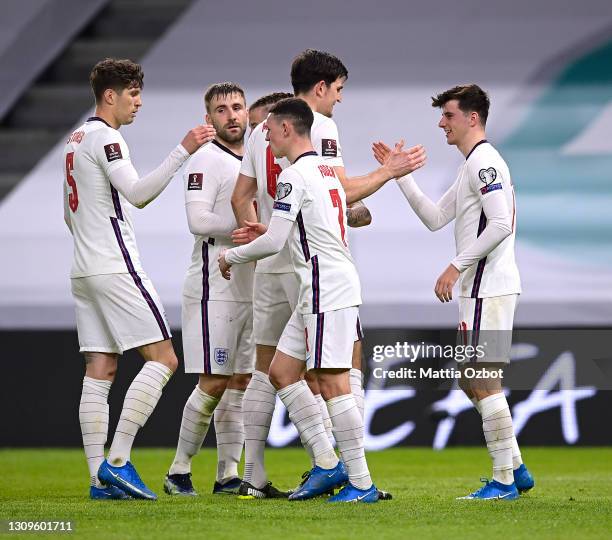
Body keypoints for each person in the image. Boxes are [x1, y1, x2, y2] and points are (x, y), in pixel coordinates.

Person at [231, 50, 424, 499]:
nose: (339, 100)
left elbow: (242, 195)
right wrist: (386, 173)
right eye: (338, 90)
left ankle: (258, 475)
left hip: (277, 264)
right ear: (320, 88)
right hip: (315, 271)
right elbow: (338, 189)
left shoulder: (261, 130)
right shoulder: (319, 129)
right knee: (340, 371)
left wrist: (266, 229)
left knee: (271, 370)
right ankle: (354, 474)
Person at [373, 84, 535, 500]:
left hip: (488, 288)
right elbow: (435, 217)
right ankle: (515, 468)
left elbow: (500, 224)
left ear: (472, 118)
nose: (441, 122)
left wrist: (455, 265)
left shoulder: (485, 164)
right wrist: (400, 177)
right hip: (477, 290)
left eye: (448, 115)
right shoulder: (471, 166)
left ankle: (502, 481)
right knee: (469, 379)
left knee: (483, 380)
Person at [63, 58, 215, 500]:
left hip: (82, 267)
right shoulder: (108, 139)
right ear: (109, 95)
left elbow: (67, 212)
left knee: (100, 368)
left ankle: (97, 481)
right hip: (115, 265)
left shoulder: (75, 140)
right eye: (132, 94)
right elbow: (139, 194)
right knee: (165, 358)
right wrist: (183, 148)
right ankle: (117, 462)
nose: (139, 103)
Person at [220, 97, 379, 502]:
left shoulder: (293, 175)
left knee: (333, 382)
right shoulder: (326, 169)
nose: (265, 136)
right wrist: (270, 230)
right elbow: (297, 229)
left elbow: (275, 242)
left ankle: (361, 483)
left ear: (288, 129)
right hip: (318, 286)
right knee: (282, 371)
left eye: (269, 129)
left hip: (326, 286)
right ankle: (327, 464)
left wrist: (231, 255)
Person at [163, 83, 254, 497]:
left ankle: (227, 475)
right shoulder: (205, 160)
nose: (232, 115)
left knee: (239, 382)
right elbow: (198, 221)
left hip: (247, 281)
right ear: (209, 119)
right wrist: (245, 229)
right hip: (211, 284)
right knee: (214, 381)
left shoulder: (253, 159)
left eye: (237, 107)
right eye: (222, 110)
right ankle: (178, 471)